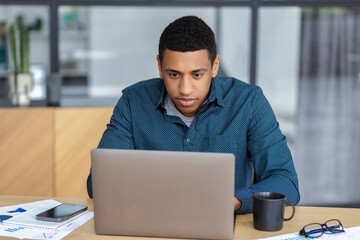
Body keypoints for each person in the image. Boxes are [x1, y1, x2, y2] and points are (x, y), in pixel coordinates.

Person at [87, 15, 300, 214]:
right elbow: (99, 183)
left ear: (215, 66)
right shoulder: (133, 103)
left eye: (197, 74)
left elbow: (285, 181)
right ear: (160, 66)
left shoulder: (248, 102)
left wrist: (231, 201)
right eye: (174, 74)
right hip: (151, 222)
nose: (185, 89)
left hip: (226, 223)